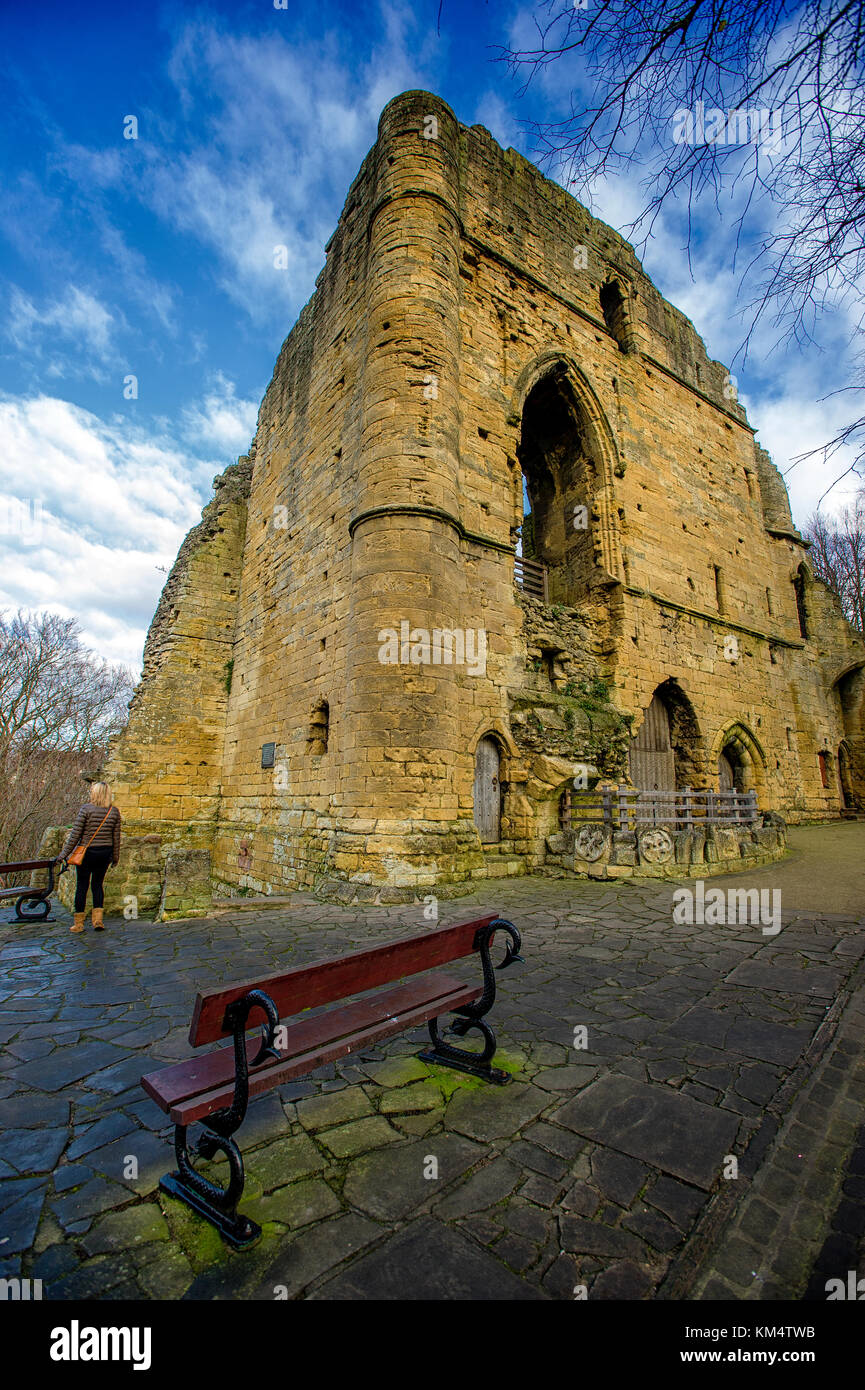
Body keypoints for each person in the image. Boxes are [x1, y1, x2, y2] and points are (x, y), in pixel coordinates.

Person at [59, 782, 122, 934]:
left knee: (82, 886)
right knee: (97, 885)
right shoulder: (114, 812)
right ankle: (98, 921)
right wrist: (115, 857)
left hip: (87, 852)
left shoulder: (86, 810)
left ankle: (79, 924)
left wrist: (63, 855)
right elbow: (116, 838)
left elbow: (75, 835)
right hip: (105, 853)